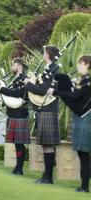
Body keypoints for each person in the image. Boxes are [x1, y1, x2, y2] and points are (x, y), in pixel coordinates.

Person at [47, 55, 91, 192]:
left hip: (86, 118)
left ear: (86, 64)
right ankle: (83, 186)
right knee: (82, 154)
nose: (78, 66)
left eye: (80, 64)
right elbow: (74, 94)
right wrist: (65, 81)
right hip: (80, 117)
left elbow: (75, 96)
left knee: (84, 155)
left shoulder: (88, 81)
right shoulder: (84, 81)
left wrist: (56, 91)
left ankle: (84, 187)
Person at [24, 46, 61, 184]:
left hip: (48, 109)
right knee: (46, 145)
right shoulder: (49, 69)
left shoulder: (54, 69)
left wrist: (28, 84)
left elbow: (43, 91)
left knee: (48, 145)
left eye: (44, 52)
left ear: (49, 54)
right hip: (44, 109)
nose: (43, 55)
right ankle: (46, 176)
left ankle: (48, 177)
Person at [0, 58, 30, 175]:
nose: (12, 67)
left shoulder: (24, 79)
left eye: (13, 65)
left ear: (19, 66)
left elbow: (17, 94)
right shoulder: (16, 79)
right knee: (17, 143)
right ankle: (18, 167)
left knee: (20, 143)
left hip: (20, 113)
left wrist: (2, 89)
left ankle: (20, 168)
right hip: (13, 113)